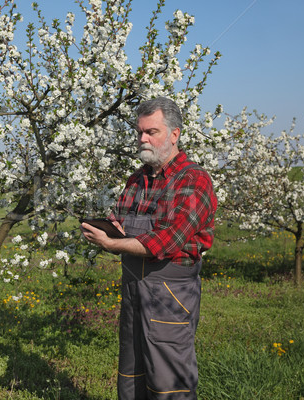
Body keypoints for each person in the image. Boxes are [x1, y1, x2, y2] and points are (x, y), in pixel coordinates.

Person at [81, 97, 217, 399]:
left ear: (174, 134)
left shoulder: (194, 180)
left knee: (169, 382)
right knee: (131, 377)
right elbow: (122, 223)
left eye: (151, 132)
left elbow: (167, 241)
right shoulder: (137, 180)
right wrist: (106, 229)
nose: (142, 139)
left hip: (170, 292)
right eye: (139, 132)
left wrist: (113, 243)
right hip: (133, 287)